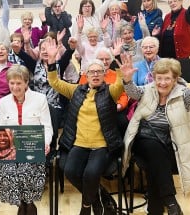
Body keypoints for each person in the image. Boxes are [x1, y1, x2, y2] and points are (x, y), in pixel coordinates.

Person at [119, 48, 190, 215]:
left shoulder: (183, 95)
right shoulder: (148, 90)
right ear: (154, 78)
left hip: (171, 143)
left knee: (156, 166)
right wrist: (128, 79)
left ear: (175, 79)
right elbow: (133, 92)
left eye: (167, 79)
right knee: (154, 148)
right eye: (159, 78)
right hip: (144, 138)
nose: (162, 83)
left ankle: (155, 210)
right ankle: (170, 200)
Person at [46, 39, 124, 215]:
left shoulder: (110, 92)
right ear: (86, 75)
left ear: (104, 75)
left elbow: (120, 83)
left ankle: (86, 206)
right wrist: (51, 62)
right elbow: (55, 83)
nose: (95, 75)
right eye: (92, 72)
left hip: (101, 145)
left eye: (99, 72)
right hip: (79, 143)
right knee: (71, 171)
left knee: (90, 174)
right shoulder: (77, 91)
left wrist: (117, 57)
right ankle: (102, 198)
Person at [0, 64, 53, 215]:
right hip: (10, 150)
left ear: (26, 83)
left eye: (19, 83)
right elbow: (0, 128)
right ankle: (24, 203)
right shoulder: (4, 101)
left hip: (32, 148)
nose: (15, 86)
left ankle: (26, 204)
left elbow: (47, 127)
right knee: (6, 172)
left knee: (26, 170)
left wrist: (46, 143)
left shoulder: (40, 99)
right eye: (12, 83)